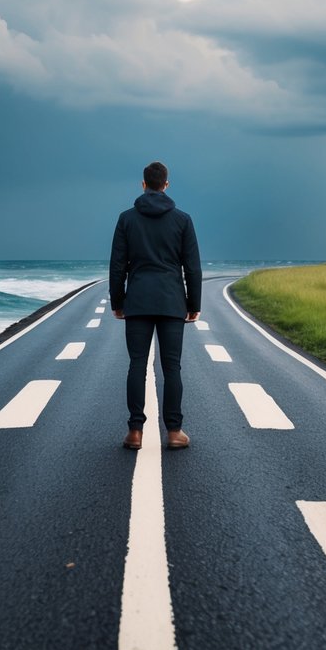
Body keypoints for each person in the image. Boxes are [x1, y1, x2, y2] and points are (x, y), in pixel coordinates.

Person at [109, 161, 202, 450]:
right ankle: (174, 432)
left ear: (143, 184)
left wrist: (118, 301)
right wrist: (193, 303)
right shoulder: (183, 220)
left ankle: (135, 432)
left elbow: (116, 266)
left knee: (137, 365)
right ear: (166, 184)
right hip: (172, 301)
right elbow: (193, 268)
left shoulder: (126, 219)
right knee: (171, 367)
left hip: (137, 301)